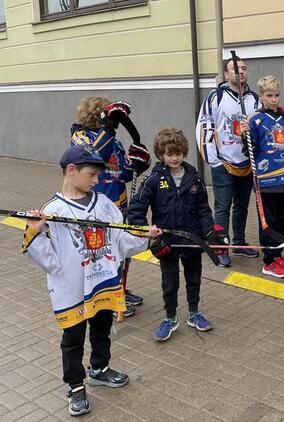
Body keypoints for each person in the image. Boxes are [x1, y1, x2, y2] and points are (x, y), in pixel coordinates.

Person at [22, 145, 161, 416]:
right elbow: (49, 261)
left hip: (102, 282)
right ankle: (75, 386)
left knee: (101, 330)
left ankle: (99, 368)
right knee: (73, 339)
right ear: (72, 171)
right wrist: (34, 232)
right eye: (92, 175)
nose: (97, 180)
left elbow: (120, 240)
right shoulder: (52, 210)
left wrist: (144, 236)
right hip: (71, 288)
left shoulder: (105, 204)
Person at [128, 128, 216, 341]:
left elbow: (204, 210)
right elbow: (136, 209)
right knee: (170, 283)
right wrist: (147, 232)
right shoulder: (153, 179)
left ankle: (194, 313)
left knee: (194, 279)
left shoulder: (194, 179)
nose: (174, 158)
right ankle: (170, 317)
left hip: (192, 241)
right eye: (169, 154)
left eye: (178, 153)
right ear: (161, 155)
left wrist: (210, 231)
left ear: (184, 153)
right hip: (166, 243)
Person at [71, 97, 151, 316]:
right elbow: (93, 156)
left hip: (119, 202)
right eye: (104, 114)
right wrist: (108, 129)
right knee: (103, 253)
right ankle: (108, 297)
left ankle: (121, 288)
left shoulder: (113, 140)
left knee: (121, 249)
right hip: (97, 205)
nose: (108, 119)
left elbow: (123, 172)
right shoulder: (80, 136)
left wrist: (138, 165)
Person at [197, 56, 261, 266]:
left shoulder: (254, 99)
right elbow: (204, 127)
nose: (241, 71)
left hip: (246, 163)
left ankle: (239, 243)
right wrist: (213, 160)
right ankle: (221, 247)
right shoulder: (215, 97)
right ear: (226, 74)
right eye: (235, 68)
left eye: (243, 68)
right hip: (223, 162)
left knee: (242, 205)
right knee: (222, 207)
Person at [248, 75, 284, 278]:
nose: (274, 99)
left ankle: (278, 255)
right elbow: (249, 151)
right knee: (268, 222)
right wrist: (245, 136)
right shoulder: (255, 120)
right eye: (269, 95)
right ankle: (269, 261)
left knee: (280, 221)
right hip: (266, 180)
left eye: (276, 95)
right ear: (261, 96)